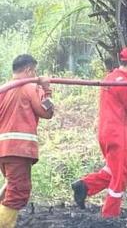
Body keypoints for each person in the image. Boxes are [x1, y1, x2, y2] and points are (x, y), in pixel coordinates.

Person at [71, 46, 127, 218]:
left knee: (113, 170)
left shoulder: (110, 77)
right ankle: (110, 216)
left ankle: (85, 186)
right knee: (121, 176)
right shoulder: (126, 84)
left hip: (105, 133)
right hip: (119, 134)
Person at [0, 55, 54, 227]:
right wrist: (46, 89)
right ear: (29, 70)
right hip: (18, 149)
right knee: (17, 193)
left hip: (4, 150)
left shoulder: (4, 89)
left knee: (11, 188)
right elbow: (47, 112)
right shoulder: (30, 87)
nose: (35, 74)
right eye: (35, 71)